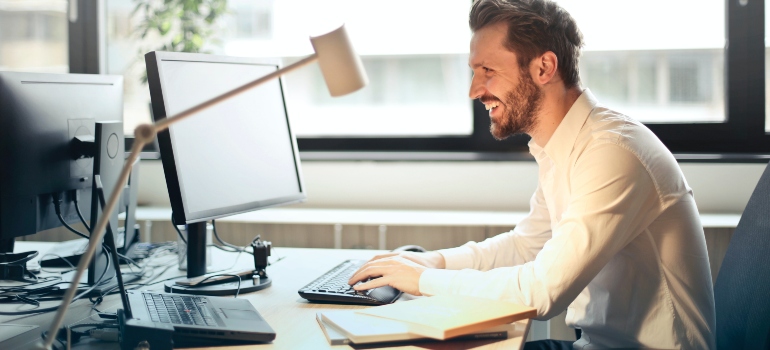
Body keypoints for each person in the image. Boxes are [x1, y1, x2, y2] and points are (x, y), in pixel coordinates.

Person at [348, 0, 716, 349]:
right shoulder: (562, 145)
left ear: (544, 68)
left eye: (488, 71)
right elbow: (527, 245)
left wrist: (423, 281)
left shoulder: (612, 153)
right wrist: (435, 262)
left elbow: (543, 292)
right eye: (474, 72)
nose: (474, 90)